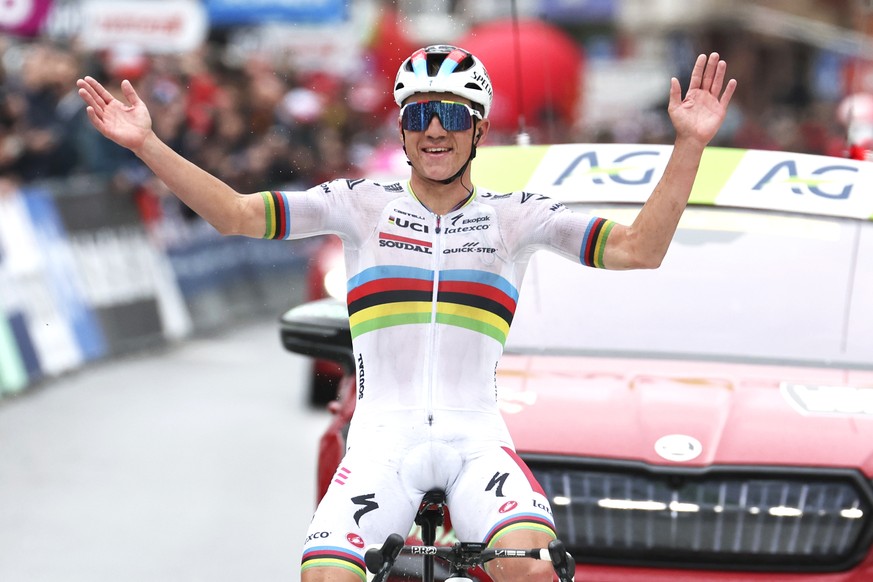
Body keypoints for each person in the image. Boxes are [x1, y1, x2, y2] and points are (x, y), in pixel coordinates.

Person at [77, 44, 736, 581]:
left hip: (475, 441)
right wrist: (146, 146)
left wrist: (689, 146)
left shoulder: (516, 216)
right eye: (419, 115)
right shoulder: (358, 203)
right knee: (325, 578)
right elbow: (236, 214)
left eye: (451, 115)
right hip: (382, 442)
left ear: (478, 128)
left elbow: (638, 250)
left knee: (531, 571)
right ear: (400, 126)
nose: (434, 132)